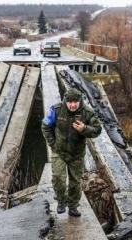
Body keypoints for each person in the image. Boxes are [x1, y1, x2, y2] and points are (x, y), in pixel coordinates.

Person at [41, 88, 102, 217]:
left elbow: (97, 130)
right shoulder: (56, 110)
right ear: (65, 100)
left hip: (77, 154)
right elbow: (45, 126)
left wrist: (84, 129)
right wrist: (53, 144)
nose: (73, 105)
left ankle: (73, 206)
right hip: (59, 151)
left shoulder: (87, 113)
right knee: (58, 178)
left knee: (75, 182)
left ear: (80, 101)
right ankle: (61, 201)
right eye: (70, 102)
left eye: (75, 102)